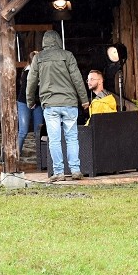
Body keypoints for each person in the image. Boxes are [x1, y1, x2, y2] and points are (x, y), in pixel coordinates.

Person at [26, 30, 89, 182]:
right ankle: (75, 170)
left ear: (44, 42)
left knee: (54, 139)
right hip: (69, 103)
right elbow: (77, 78)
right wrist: (84, 99)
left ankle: (59, 172)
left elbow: (31, 81)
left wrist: (30, 101)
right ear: (58, 41)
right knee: (72, 137)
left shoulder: (38, 58)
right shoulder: (67, 56)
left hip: (50, 104)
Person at [16, 51, 44, 154]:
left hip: (37, 103)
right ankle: (16, 157)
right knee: (23, 131)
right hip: (24, 102)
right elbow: (25, 91)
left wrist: (35, 101)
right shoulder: (27, 72)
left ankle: (42, 157)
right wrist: (31, 102)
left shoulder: (42, 72)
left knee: (39, 131)